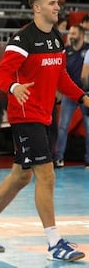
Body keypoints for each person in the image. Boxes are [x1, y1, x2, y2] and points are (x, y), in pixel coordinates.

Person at [0, 0, 87, 262]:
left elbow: (61, 78)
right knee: (46, 175)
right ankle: (54, 243)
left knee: (22, 176)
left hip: (44, 116)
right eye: (51, 3)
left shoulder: (57, 38)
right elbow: (2, 75)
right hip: (26, 117)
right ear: (37, 8)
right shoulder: (22, 39)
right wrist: (13, 87)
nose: (57, 7)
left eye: (57, 3)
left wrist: (82, 97)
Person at [53, 24, 89, 168]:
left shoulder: (87, 49)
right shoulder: (66, 51)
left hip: (85, 94)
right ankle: (59, 158)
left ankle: (88, 159)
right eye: (70, 34)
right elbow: (59, 74)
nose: (71, 36)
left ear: (81, 35)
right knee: (62, 126)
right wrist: (59, 92)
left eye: (73, 34)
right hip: (70, 94)